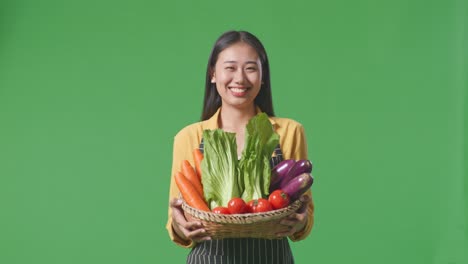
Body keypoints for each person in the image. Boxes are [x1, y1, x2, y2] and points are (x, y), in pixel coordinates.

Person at [166, 30, 314, 264]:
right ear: (213, 74)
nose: (240, 79)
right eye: (230, 67)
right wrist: (179, 225)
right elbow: (176, 218)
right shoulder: (189, 136)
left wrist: (301, 221)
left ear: (263, 76)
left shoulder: (289, 132)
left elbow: (305, 212)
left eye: (251, 68)